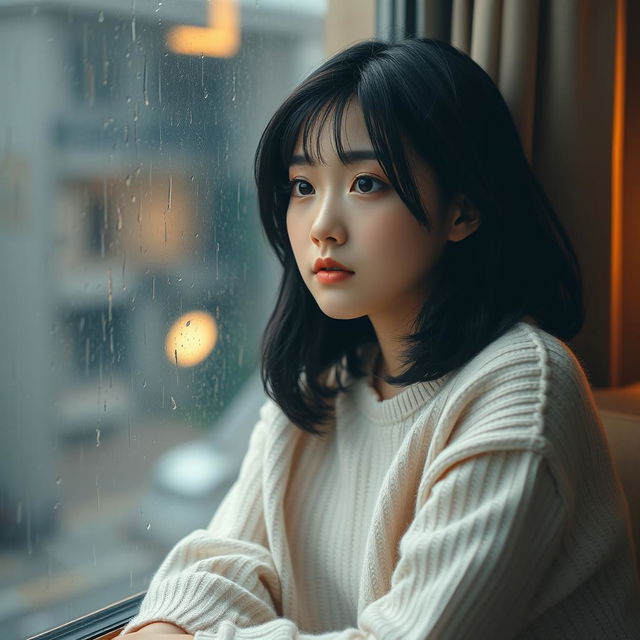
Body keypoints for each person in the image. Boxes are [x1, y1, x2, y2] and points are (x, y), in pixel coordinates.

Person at [120, 38, 640, 639]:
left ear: (463, 210)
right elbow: (219, 567)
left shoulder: (522, 389)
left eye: (367, 183)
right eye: (302, 186)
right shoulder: (323, 385)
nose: (321, 227)